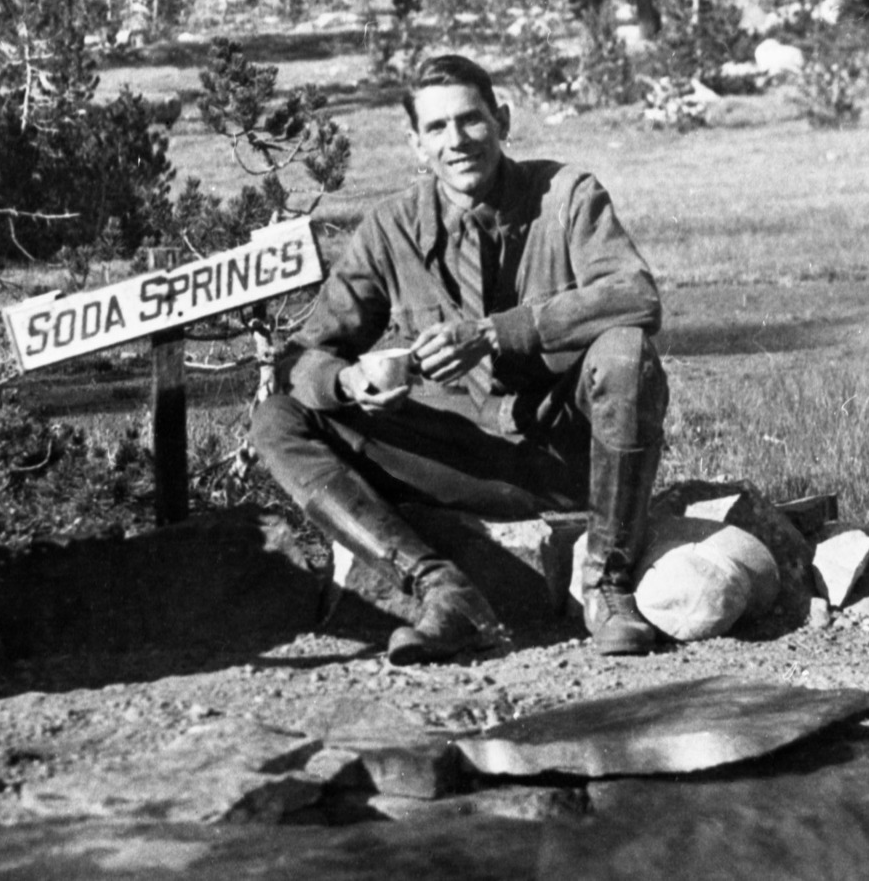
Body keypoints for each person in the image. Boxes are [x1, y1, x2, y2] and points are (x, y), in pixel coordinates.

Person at [251, 54, 667, 663]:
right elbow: (305, 356)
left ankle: (606, 585)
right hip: (456, 460)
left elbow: (636, 295)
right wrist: (350, 379)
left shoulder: (567, 195)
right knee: (278, 417)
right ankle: (443, 591)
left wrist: (499, 332)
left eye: (471, 121)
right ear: (416, 145)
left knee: (625, 351)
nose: (458, 142)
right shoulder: (390, 228)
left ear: (502, 120)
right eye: (438, 129)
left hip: (564, 455)